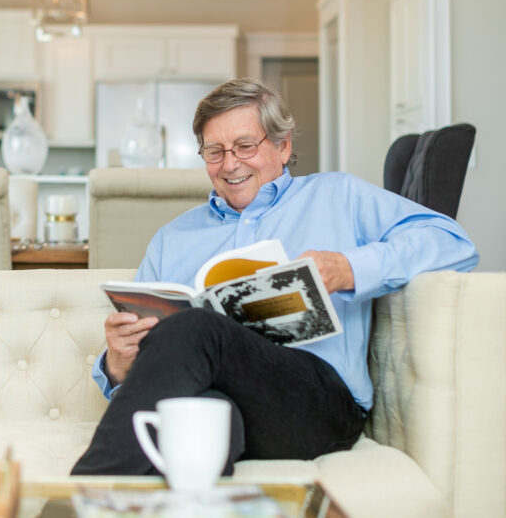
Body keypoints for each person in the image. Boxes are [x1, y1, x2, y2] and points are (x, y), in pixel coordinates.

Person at [71, 78, 478, 476]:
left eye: (245, 146)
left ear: (283, 146)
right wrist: (119, 365)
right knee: (206, 420)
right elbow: (150, 365)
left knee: (198, 328)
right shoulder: (171, 238)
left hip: (315, 404)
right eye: (214, 152)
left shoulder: (339, 196)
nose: (230, 164)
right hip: (224, 402)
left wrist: (350, 269)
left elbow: (453, 242)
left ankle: (76, 497)